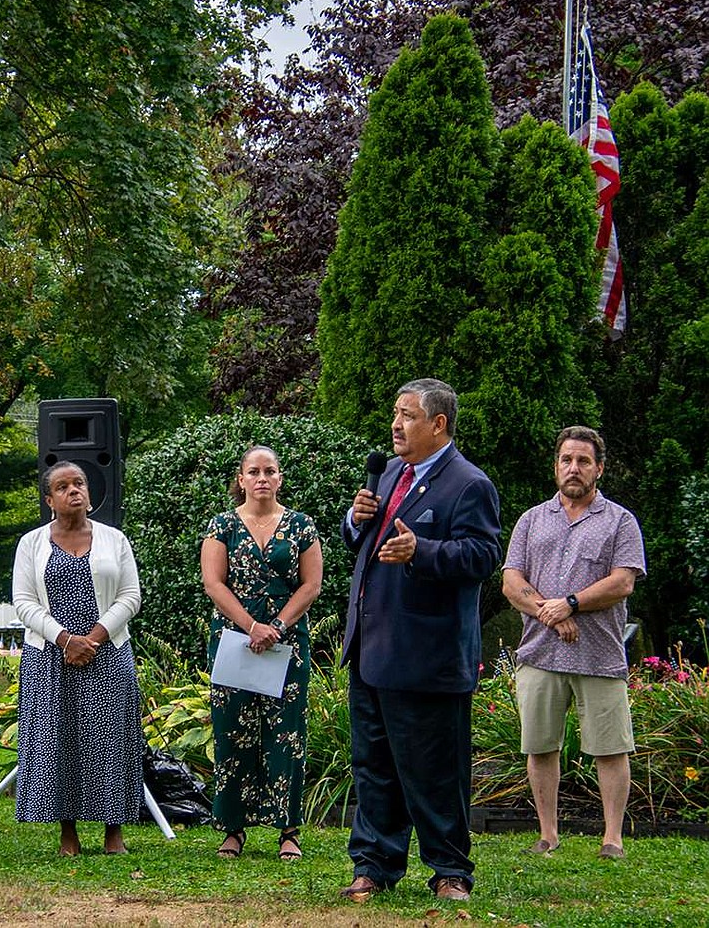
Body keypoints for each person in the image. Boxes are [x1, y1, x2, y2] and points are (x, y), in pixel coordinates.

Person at [339, 378, 501, 903]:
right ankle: (373, 865)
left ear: (438, 425)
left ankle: (450, 870)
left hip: (427, 656)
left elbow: (482, 556)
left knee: (434, 770)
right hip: (371, 647)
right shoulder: (389, 474)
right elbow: (364, 546)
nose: (395, 424)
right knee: (374, 766)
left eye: (407, 415)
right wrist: (353, 520)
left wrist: (424, 552)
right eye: (394, 413)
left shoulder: (469, 484)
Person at [502, 426, 645, 860]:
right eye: (567, 460)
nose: (574, 468)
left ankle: (612, 839)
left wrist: (571, 604)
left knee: (610, 748)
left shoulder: (620, 521)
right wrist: (552, 610)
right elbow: (511, 581)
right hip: (540, 654)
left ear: (599, 469)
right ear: (556, 466)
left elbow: (622, 582)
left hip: (599, 656)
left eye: (583, 461)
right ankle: (547, 835)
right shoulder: (531, 520)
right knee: (540, 746)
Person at [12, 461, 143, 856]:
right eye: (64, 486)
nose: (74, 491)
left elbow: (131, 596)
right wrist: (65, 639)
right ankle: (67, 832)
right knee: (59, 739)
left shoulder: (114, 540)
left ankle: (113, 831)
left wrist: (95, 637)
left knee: (110, 740)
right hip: (49, 657)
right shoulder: (31, 543)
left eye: (80, 484)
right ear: (49, 499)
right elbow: (23, 601)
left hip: (108, 653)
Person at [200, 445, 323, 862]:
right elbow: (214, 584)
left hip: (286, 643)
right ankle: (232, 829)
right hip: (235, 640)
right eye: (253, 471)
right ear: (241, 479)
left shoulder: (302, 526)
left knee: (285, 733)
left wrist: (278, 627)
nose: (262, 478)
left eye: (270, 470)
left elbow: (311, 585)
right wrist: (251, 627)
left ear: (281, 477)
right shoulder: (222, 526)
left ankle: (288, 830)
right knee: (232, 729)